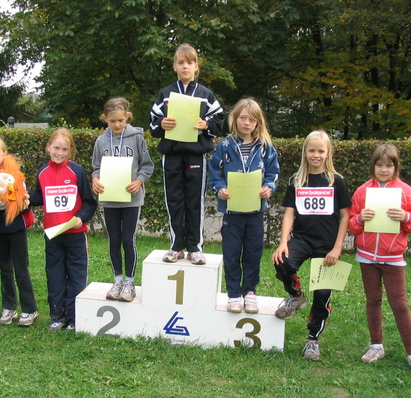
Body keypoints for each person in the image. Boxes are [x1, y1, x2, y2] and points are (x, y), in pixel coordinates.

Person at [348, 144, 411, 377]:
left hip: (393, 257)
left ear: (396, 167)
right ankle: (376, 345)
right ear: (373, 166)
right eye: (379, 165)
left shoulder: (404, 191)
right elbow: (352, 225)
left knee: (399, 303)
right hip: (367, 256)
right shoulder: (362, 191)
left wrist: (405, 216)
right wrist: (360, 218)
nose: (384, 170)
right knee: (373, 300)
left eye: (389, 165)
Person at [271, 130, 351, 361]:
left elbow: (345, 216)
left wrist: (337, 248)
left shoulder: (337, 181)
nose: (316, 155)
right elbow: (289, 213)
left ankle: (313, 340)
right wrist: (283, 243)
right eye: (312, 150)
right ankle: (296, 296)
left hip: (327, 245)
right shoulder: (296, 181)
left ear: (328, 153)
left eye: (321, 151)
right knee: (282, 261)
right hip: (303, 239)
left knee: (322, 294)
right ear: (305, 152)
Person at [149, 43, 225, 265]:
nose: (185, 66)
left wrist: (205, 124)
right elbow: (153, 124)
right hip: (172, 155)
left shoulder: (205, 95)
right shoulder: (165, 95)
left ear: (196, 66)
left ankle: (195, 247)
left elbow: (219, 121)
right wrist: (162, 123)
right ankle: (176, 246)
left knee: (194, 201)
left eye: (190, 63)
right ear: (174, 66)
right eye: (181, 62)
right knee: (174, 200)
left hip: (195, 155)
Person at [209, 98, 280, 314]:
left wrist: (268, 187)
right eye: (243, 118)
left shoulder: (265, 147)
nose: (247, 123)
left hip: (255, 212)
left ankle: (249, 291)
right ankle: (233, 293)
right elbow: (214, 173)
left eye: (252, 119)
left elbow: (273, 172)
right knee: (231, 253)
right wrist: (220, 188)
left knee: (253, 253)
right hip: (232, 212)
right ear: (234, 119)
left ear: (258, 122)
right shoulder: (224, 146)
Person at [29, 128, 97, 331]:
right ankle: (57, 317)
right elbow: (40, 197)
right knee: (55, 276)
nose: (59, 153)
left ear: (71, 151)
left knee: (76, 276)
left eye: (64, 149)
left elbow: (89, 202)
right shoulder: (42, 172)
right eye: (56, 148)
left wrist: (81, 218)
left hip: (75, 235)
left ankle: (74, 319)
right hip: (53, 236)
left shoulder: (77, 172)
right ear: (48, 147)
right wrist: (23, 195)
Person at [92, 98, 154, 302]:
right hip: (110, 199)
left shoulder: (137, 138)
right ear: (104, 119)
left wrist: (139, 181)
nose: (117, 125)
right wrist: (95, 180)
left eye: (120, 120)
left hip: (131, 200)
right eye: (112, 121)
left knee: (128, 239)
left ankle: (130, 282)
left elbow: (147, 165)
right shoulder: (101, 141)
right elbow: (96, 167)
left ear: (127, 116)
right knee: (114, 239)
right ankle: (117, 280)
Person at [0, 137, 39, 327]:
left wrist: (15, 199)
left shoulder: (14, 175)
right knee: (5, 268)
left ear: (5, 154)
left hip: (16, 228)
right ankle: (9, 307)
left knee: (21, 268)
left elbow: (23, 199)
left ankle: (29, 309)